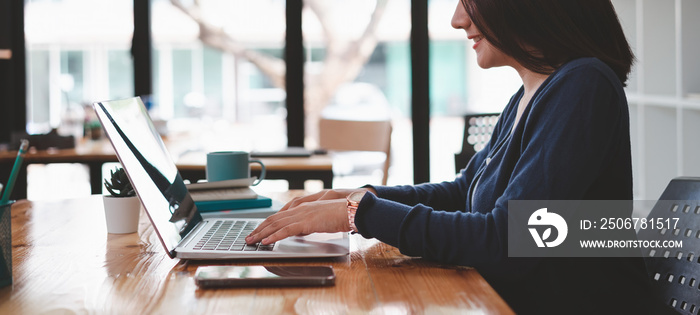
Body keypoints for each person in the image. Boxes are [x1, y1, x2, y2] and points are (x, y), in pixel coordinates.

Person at [247, 0, 657, 313]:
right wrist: (359, 197)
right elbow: (464, 192)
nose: (457, 18)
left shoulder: (583, 86)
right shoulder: (531, 93)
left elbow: (508, 242)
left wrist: (360, 213)